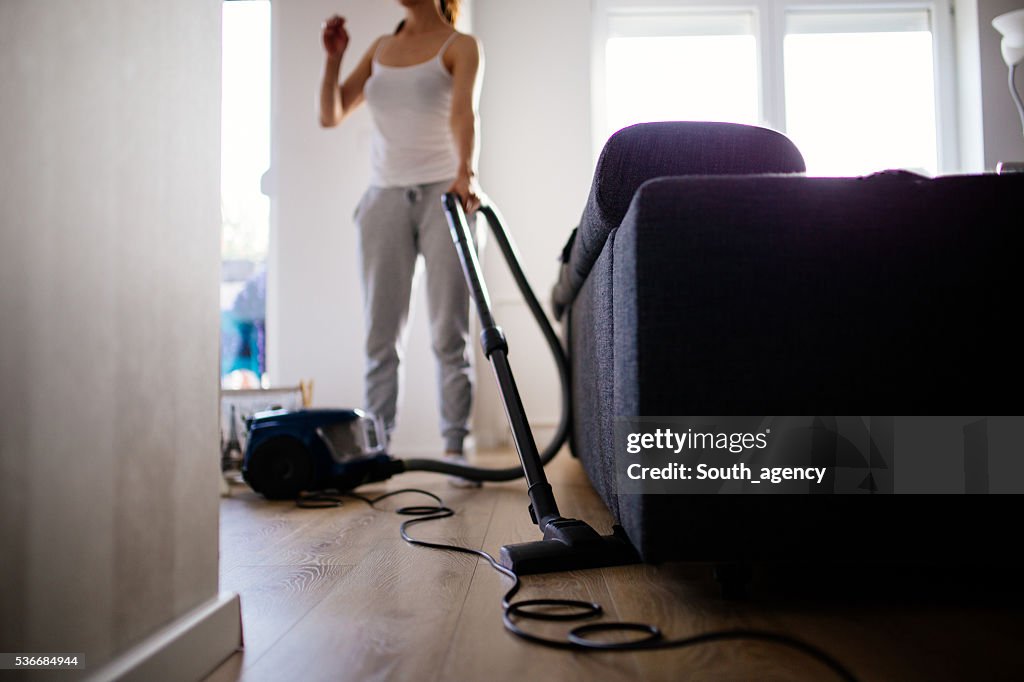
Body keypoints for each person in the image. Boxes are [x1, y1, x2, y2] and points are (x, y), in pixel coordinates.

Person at [319, 0, 483, 483]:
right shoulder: (380, 48)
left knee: (448, 331)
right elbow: (331, 115)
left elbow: (463, 114)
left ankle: (455, 447)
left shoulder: (461, 45)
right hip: (384, 198)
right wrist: (333, 58)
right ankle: (377, 449)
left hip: (445, 193)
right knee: (380, 334)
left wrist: (464, 175)